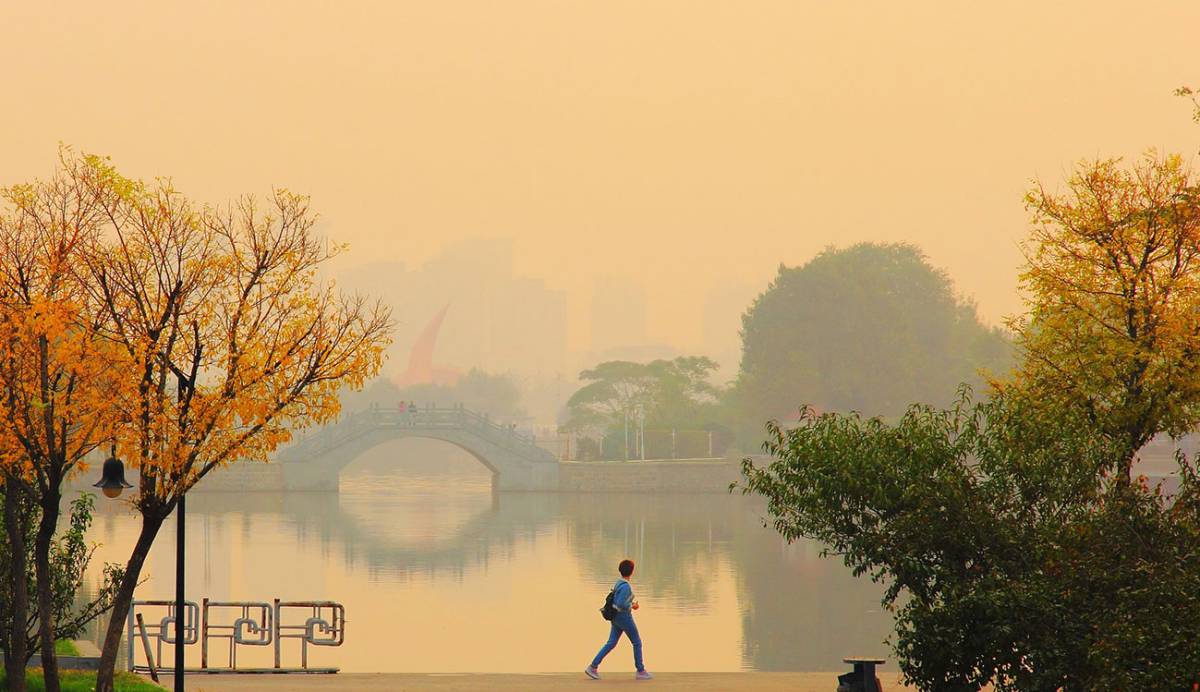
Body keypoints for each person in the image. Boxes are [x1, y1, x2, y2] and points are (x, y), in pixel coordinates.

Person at [586, 559, 652, 680]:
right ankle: (640, 670)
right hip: (623, 617)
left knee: (611, 642)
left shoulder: (619, 583)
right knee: (637, 642)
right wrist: (633, 605)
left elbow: (618, 601)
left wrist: (630, 603)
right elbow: (621, 603)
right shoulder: (626, 586)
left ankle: (593, 666)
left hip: (615, 617)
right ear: (632, 571)